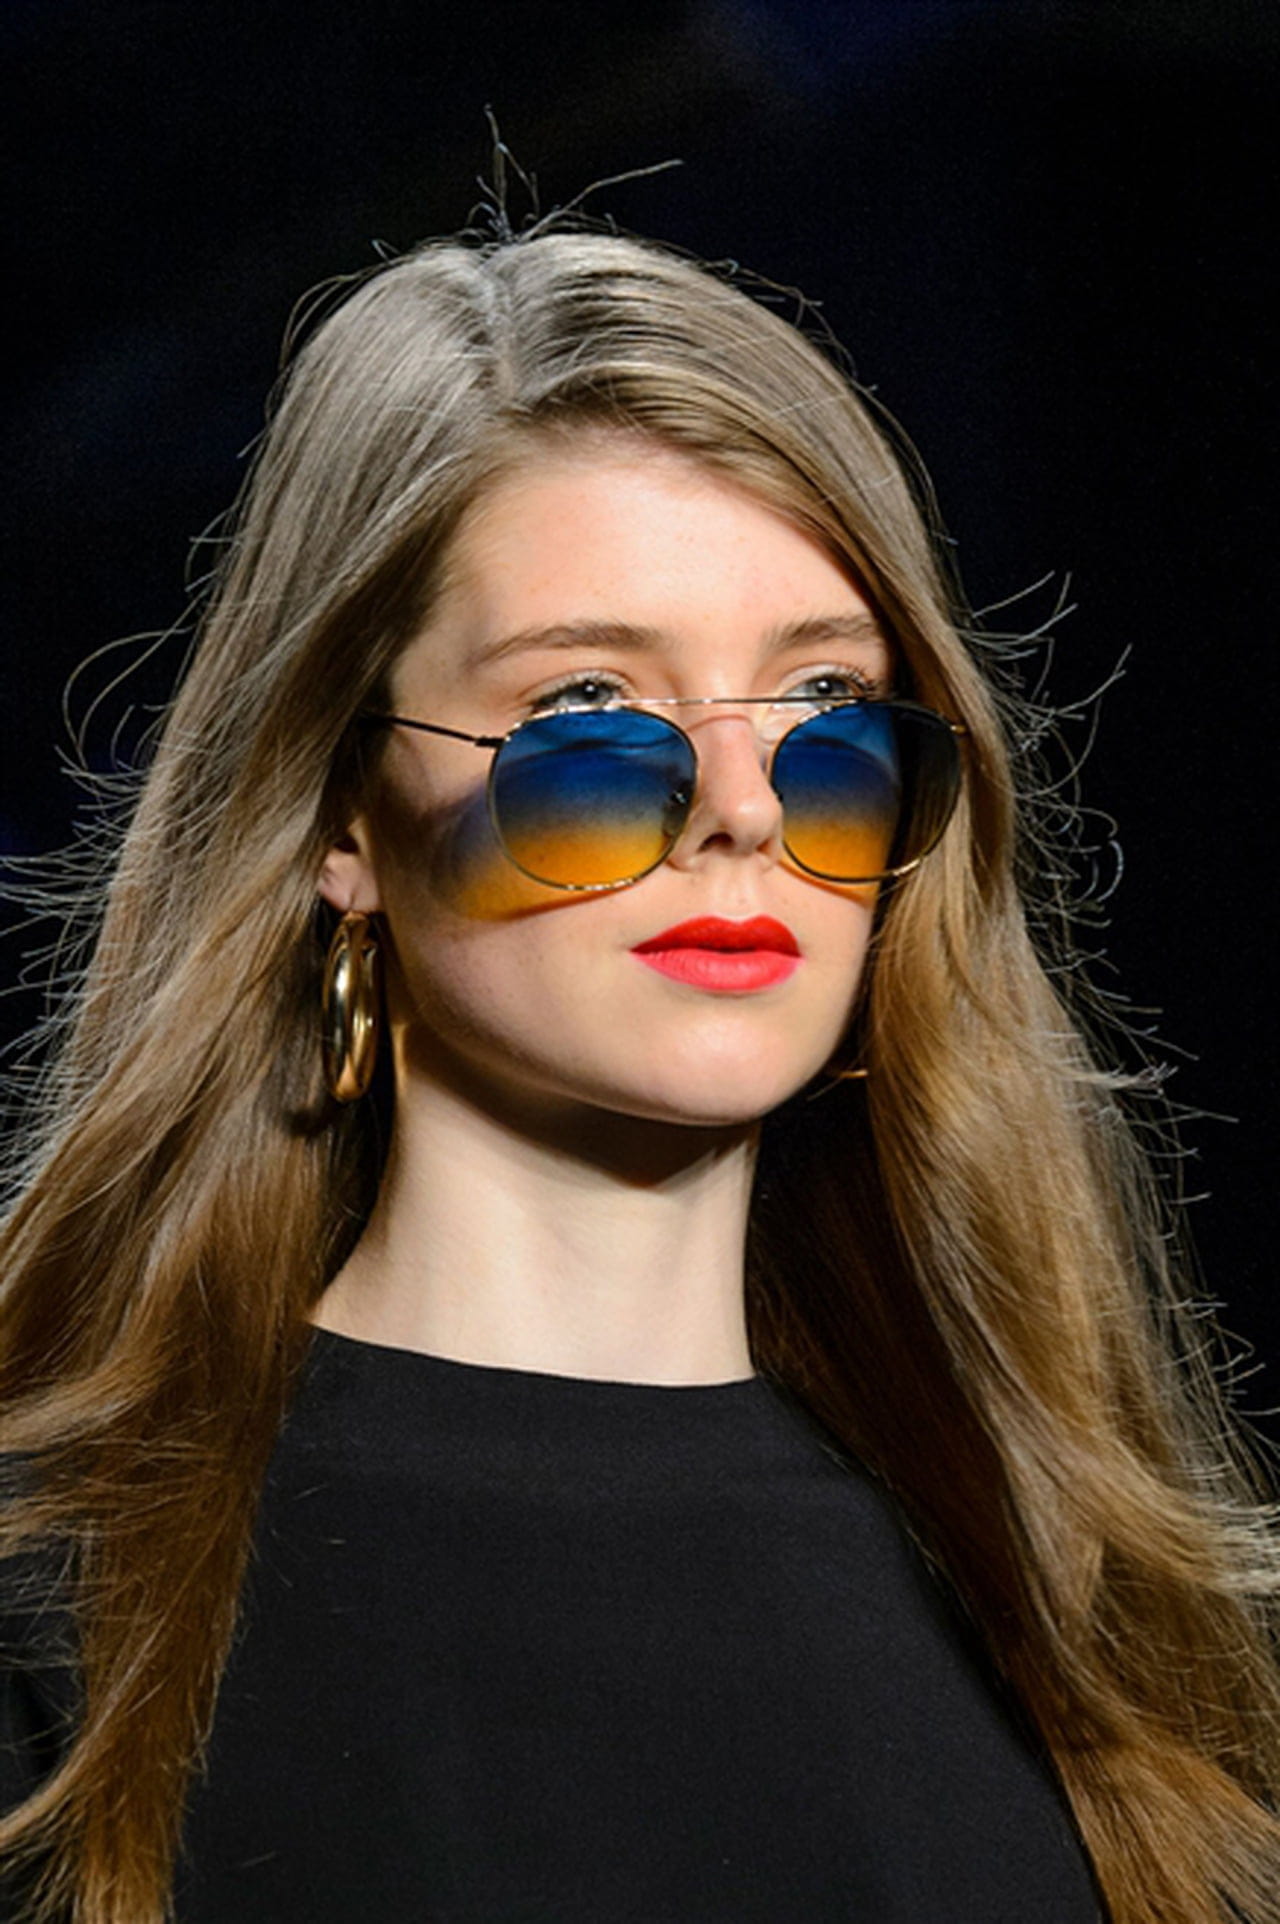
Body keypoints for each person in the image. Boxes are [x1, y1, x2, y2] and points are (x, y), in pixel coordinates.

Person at [0, 219, 1277, 1924]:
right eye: (591, 710)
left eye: (824, 703)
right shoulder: (60, 1618)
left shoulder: (1107, 1630)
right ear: (339, 815)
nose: (744, 807)